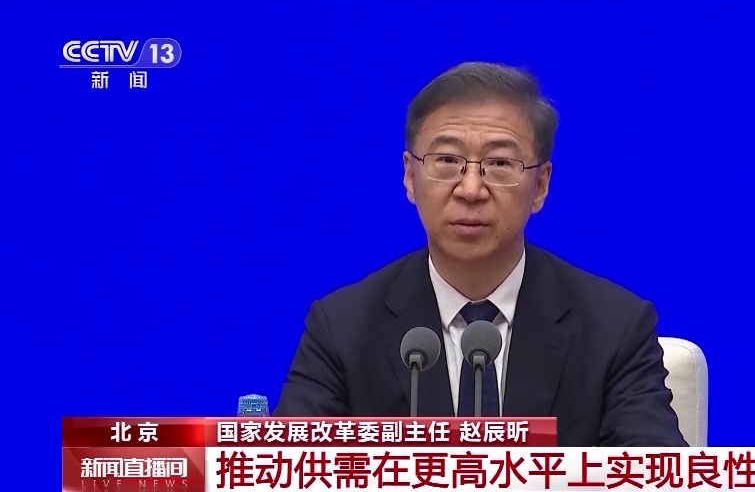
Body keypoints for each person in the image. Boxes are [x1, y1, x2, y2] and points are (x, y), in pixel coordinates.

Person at [274, 61, 687, 447]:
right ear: (410, 176)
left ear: (541, 185)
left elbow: (656, 473)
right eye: (447, 160)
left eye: (500, 163)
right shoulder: (342, 329)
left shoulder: (614, 328)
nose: (471, 189)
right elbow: (289, 472)